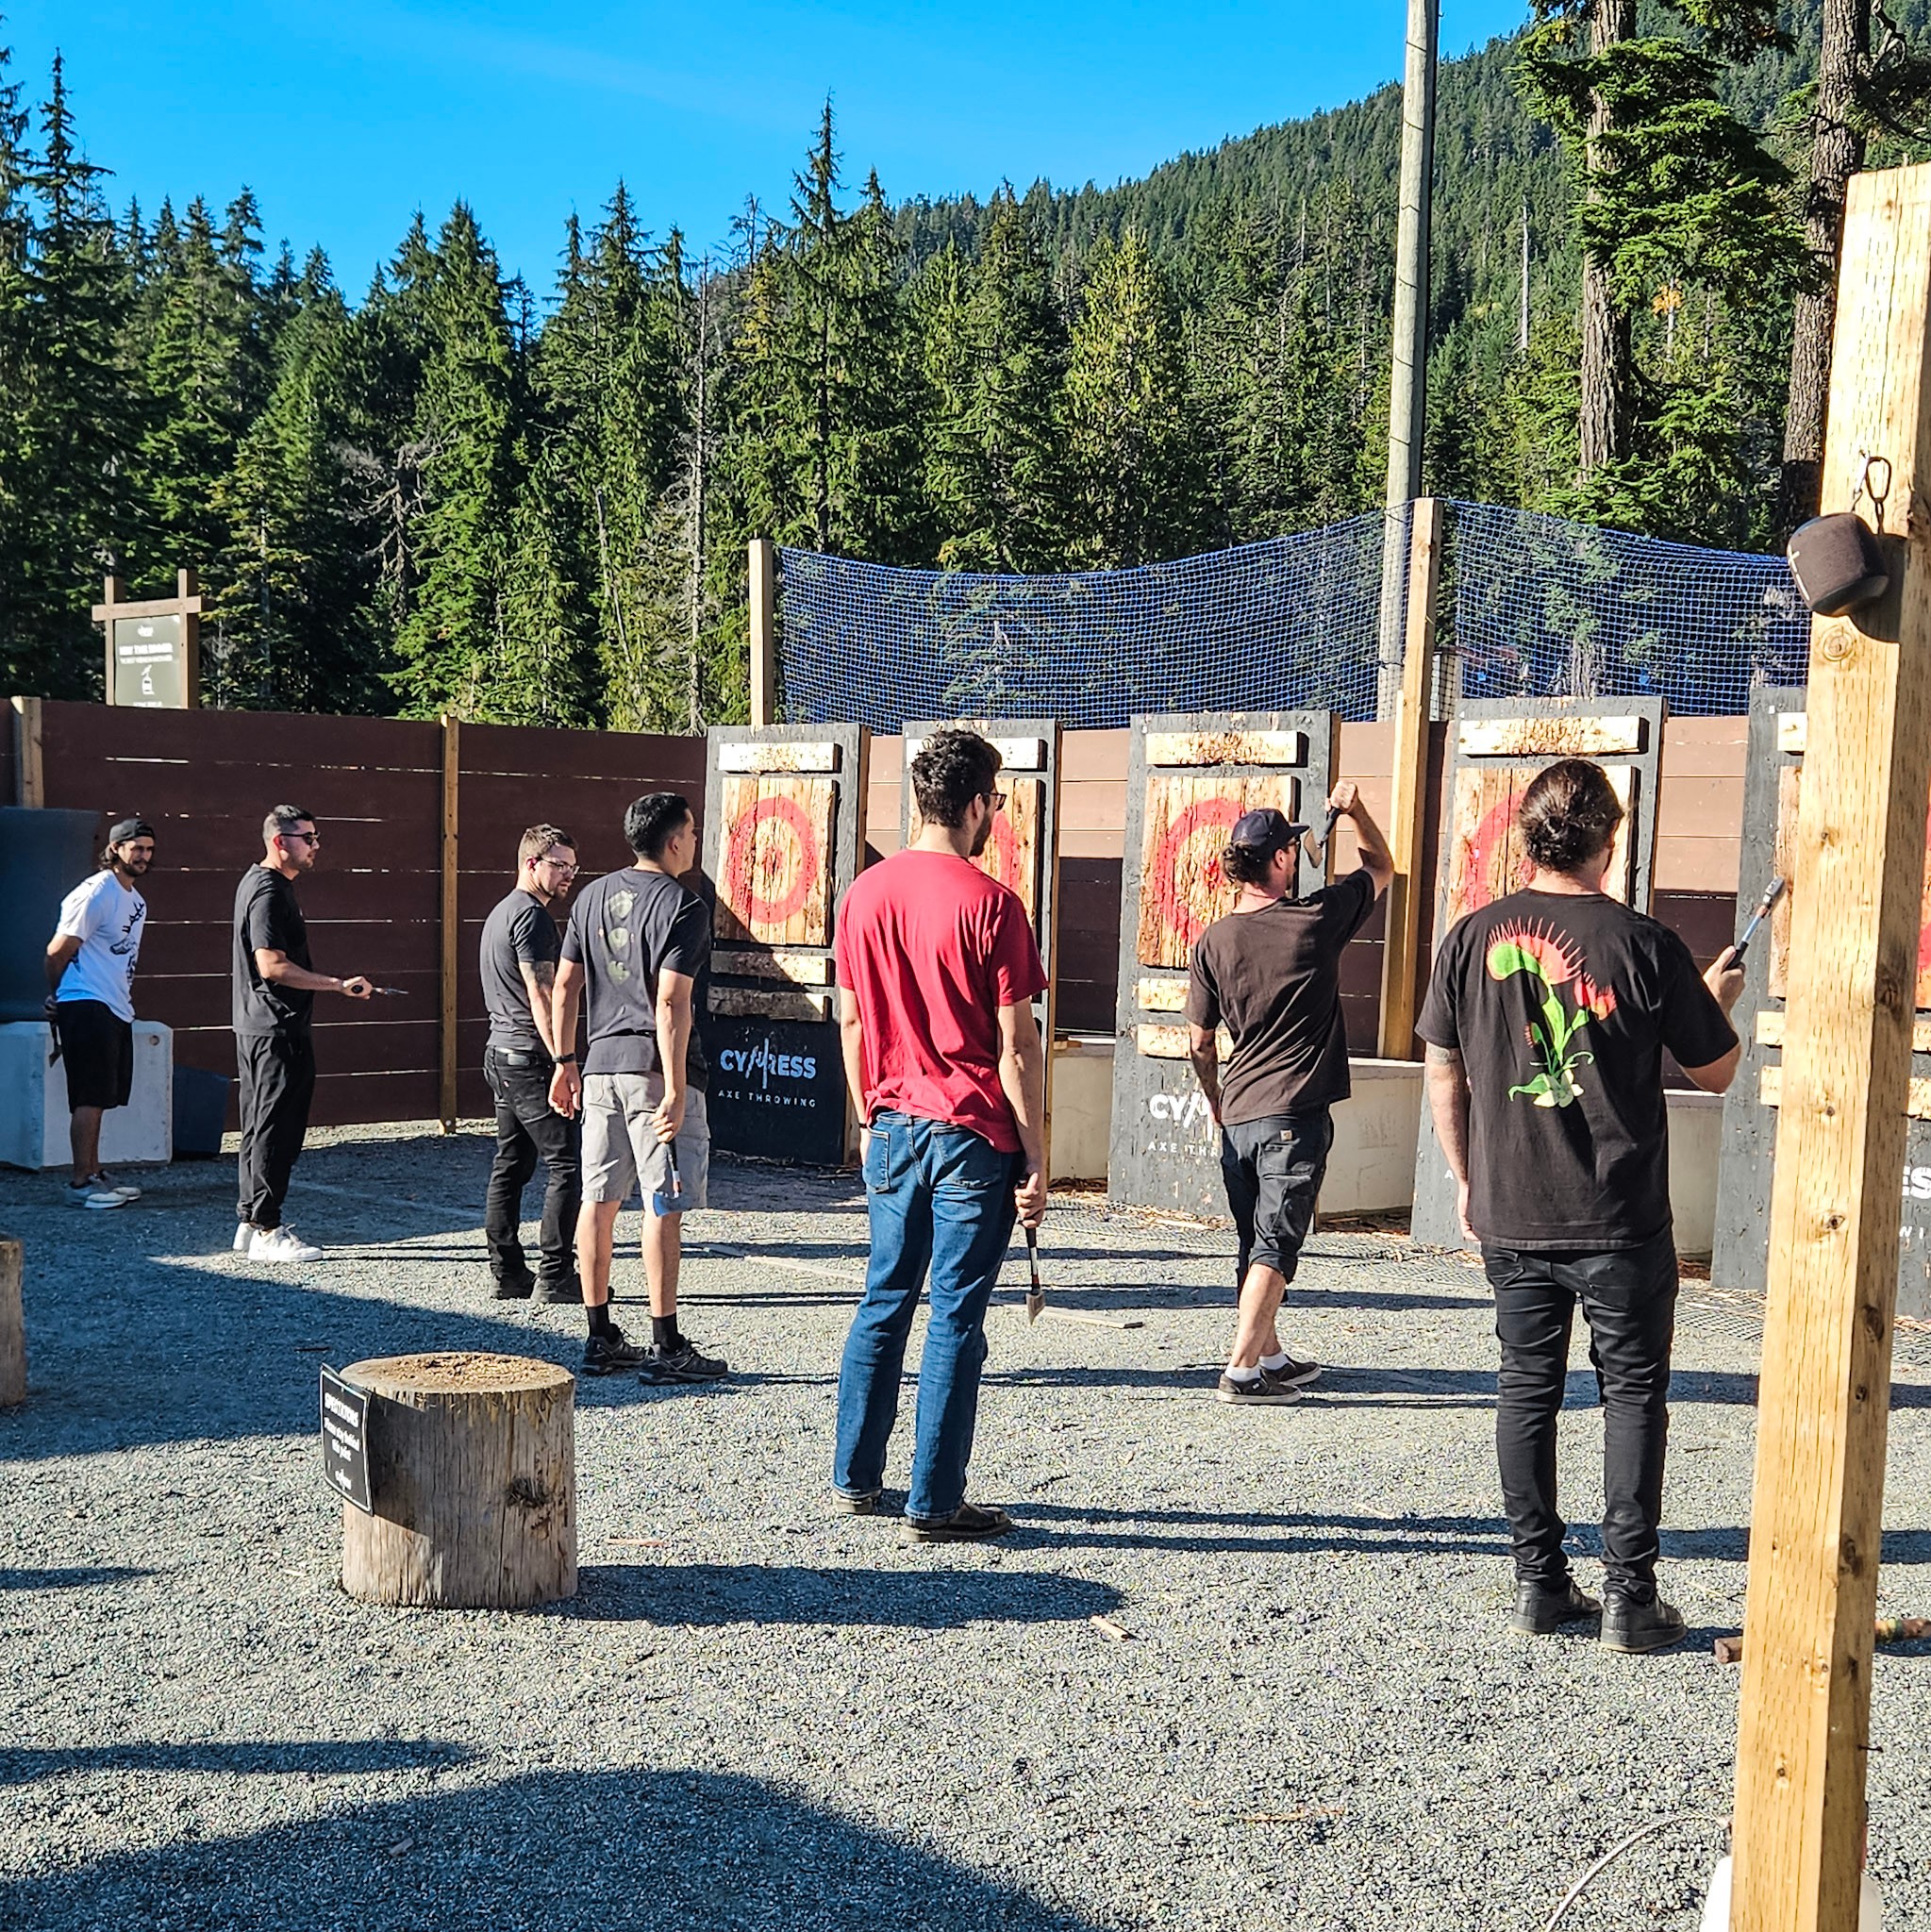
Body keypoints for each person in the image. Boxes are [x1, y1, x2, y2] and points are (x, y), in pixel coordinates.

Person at [1418, 758, 1743, 1654]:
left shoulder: (1468, 936)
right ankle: (1627, 1600)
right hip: (1619, 1217)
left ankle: (1538, 1584)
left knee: (1525, 1388)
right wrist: (1717, 1004)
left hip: (1511, 1210)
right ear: (1612, 836)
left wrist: (1464, 1178)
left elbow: (1441, 1070)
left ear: (1526, 835)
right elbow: (1717, 1072)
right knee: (1631, 1393)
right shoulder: (1643, 944)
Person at [831, 727, 1048, 1541]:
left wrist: (865, 1114)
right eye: (992, 801)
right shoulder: (992, 903)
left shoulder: (862, 895)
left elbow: (850, 1020)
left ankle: (856, 1477)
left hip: (889, 1123)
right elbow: (1016, 1044)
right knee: (955, 1315)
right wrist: (1036, 1150)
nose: (993, 814)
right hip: (969, 1132)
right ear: (972, 806)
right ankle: (935, 1500)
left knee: (883, 1300)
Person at [1186, 785, 1392, 1405]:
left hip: (1240, 1116)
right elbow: (1380, 866)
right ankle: (1241, 1372)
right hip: (1292, 1115)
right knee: (1276, 1245)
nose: (1298, 854)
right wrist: (1355, 811)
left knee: (1254, 1243)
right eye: (1292, 847)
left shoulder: (1212, 941)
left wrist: (1216, 1101)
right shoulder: (1315, 919)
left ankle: (1271, 1357)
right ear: (1278, 861)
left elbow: (1197, 1042)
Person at [549, 792, 724, 1382]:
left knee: (597, 1200)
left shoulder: (591, 895)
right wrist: (675, 1087)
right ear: (674, 841)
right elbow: (673, 1000)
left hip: (598, 1067)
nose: (696, 841)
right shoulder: (685, 905)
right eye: (693, 832)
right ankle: (666, 1343)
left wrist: (563, 1060)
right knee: (661, 1203)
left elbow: (565, 985)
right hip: (653, 1069)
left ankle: (599, 1337)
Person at [232, 806, 373, 1262]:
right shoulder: (269, 892)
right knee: (278, 1128)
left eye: (316, 836)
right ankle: (269, 1230)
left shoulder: (263, 885)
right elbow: (271, 965)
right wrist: (335, 984)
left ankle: (251, 1222)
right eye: (307, 837)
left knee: (258, 1125)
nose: (315, 845)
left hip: (260, 1026)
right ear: (279, 841)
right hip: (276, 1027)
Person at [480, 824, 583, 1302]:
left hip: (501, 1053)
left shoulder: (501, 912)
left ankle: (507, 1273)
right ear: (530, 864)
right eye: (558, 865)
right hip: (528, 1059)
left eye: (572, 866)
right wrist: (564, 1060)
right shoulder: (532, 917)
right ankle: (556, 1274)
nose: (568, 874)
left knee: (512, 1164)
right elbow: (542, 994)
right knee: (567, 1163)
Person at [44, 816, 157, 1209]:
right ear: (115, 850)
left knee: (104, 1094)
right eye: (136, 848)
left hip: (115, 1004)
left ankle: (95, 1170)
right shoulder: (95, 893)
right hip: (85, 1001)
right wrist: (58, 994)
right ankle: (80, 1182)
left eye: (148, 849)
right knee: (88, 1095)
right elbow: (57, 950)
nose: (143, 856)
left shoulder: (136, 900)